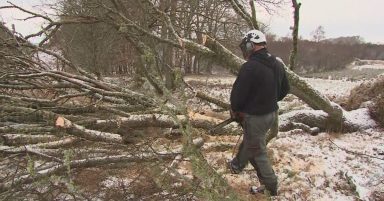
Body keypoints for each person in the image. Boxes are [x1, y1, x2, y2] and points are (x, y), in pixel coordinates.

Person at [228, 29, 290, 196]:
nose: (245, 50)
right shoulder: (277, 63)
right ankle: (237, 164)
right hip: (272, 115)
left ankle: (271, 187)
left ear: (251, 45)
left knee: (258, 152)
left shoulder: (250, 67)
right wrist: (268, 101)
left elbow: (237, 98)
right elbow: (285, 89)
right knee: (251, 142)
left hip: (256, 118)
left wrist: (236, 110)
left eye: (246, 46)